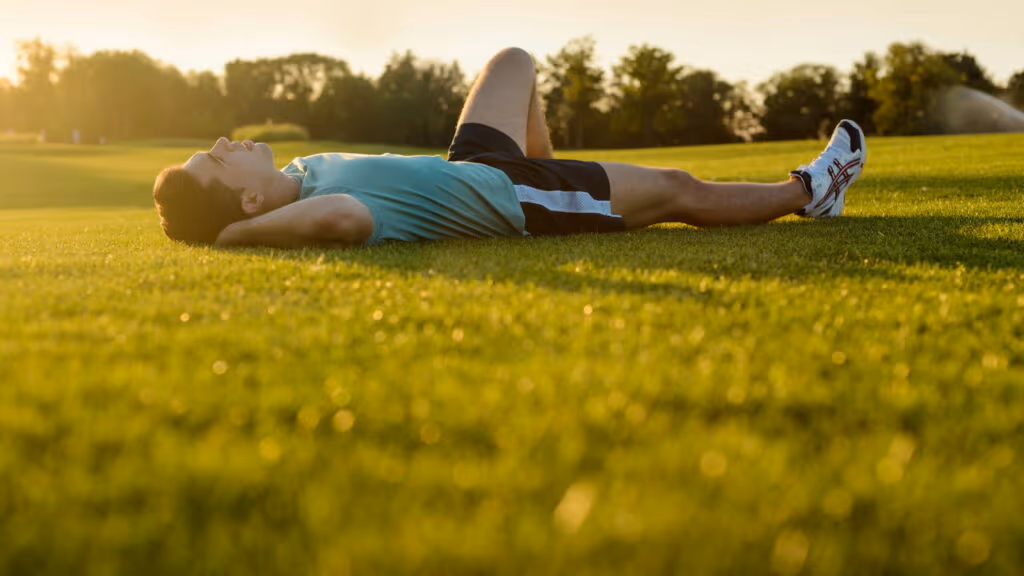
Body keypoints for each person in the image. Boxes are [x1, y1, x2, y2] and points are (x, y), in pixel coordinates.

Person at [153, 47, 867, 248]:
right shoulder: (318, 209)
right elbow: (343, 218)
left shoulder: (300, 173)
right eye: (217, 158)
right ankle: (811, 191)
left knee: (513, 63)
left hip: (479, 165)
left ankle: (556, 166)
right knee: (679, 187)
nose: (222, 141)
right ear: (246, 200)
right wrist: (231, 235)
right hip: (512, 198)